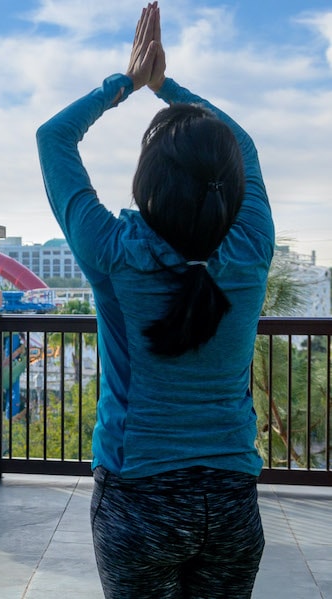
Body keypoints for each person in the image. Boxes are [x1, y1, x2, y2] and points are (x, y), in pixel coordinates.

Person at [36, 3, 272, 597]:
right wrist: (169, 88)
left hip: (138, 500)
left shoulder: (115, 252)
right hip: (233, 501)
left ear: (149, 183)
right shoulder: (251, 249)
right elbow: (242, 144)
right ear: (228, 186)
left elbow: (53, 137)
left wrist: (128, 83)